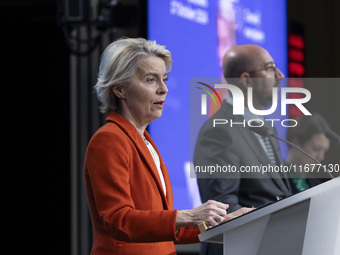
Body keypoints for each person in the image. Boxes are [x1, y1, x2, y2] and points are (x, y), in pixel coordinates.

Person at [84, 38, 251, 255]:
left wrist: (224, 224)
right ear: (119, 89)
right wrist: (190, 215)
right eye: (151, 80)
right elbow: (118, 220)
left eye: (164, 79)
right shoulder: (109, 139)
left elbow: (167, 229)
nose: (164, 89)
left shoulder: (145, 142)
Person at [194, 44, 293, 255]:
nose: (280, 75)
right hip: (239, 248)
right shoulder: (218, 130)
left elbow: (277, 194)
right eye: (270, 68)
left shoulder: (266, 127)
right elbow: (224, 207)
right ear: (247, 80)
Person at [286, 113, 331, 194]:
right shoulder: (273, 178)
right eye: (316, 149)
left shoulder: (318, 187)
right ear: (295, 143)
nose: (321, 157)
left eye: (324, 151)